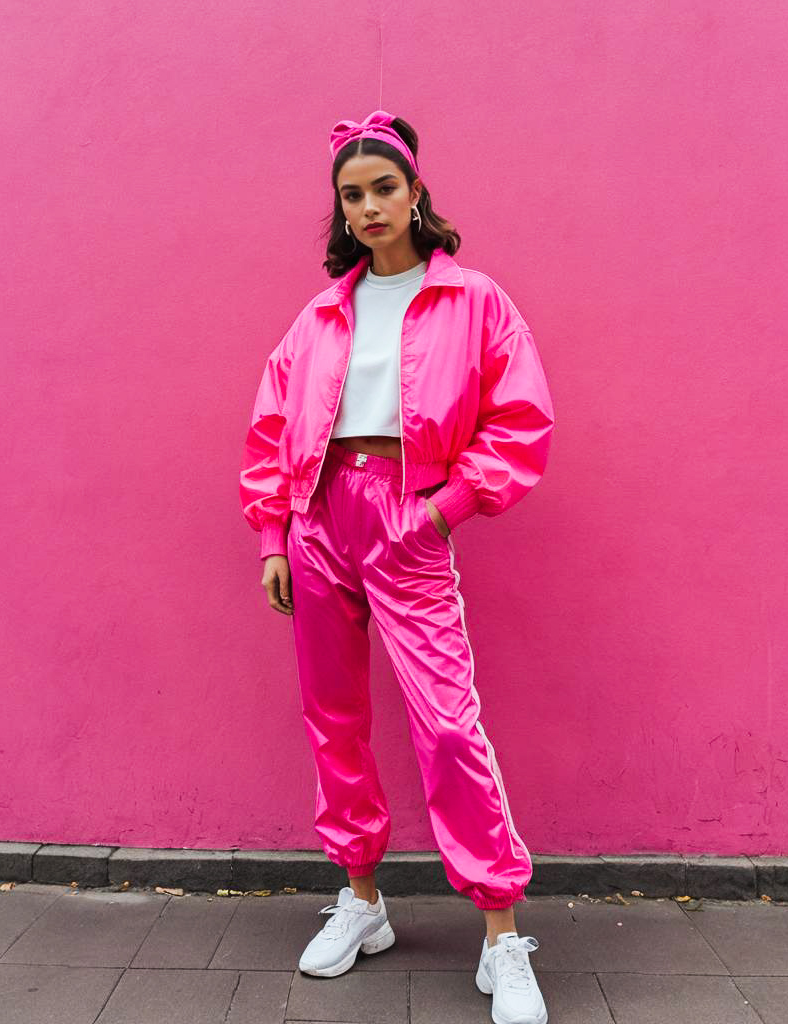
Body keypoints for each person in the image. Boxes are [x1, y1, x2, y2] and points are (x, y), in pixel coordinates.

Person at [239, 108, 555, 1024]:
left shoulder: (475, 300)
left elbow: (521, 422)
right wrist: (273, 536)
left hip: (409, 519)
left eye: (383, 189)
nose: (368, 207)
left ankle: (502, 937)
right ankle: (362, 901)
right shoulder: (322, 313)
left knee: (449, 725)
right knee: (333, 720)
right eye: (352, 196)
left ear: (415, 193)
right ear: (340, 212)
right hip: (319, 517)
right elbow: (271, 424)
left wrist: (444, 511)